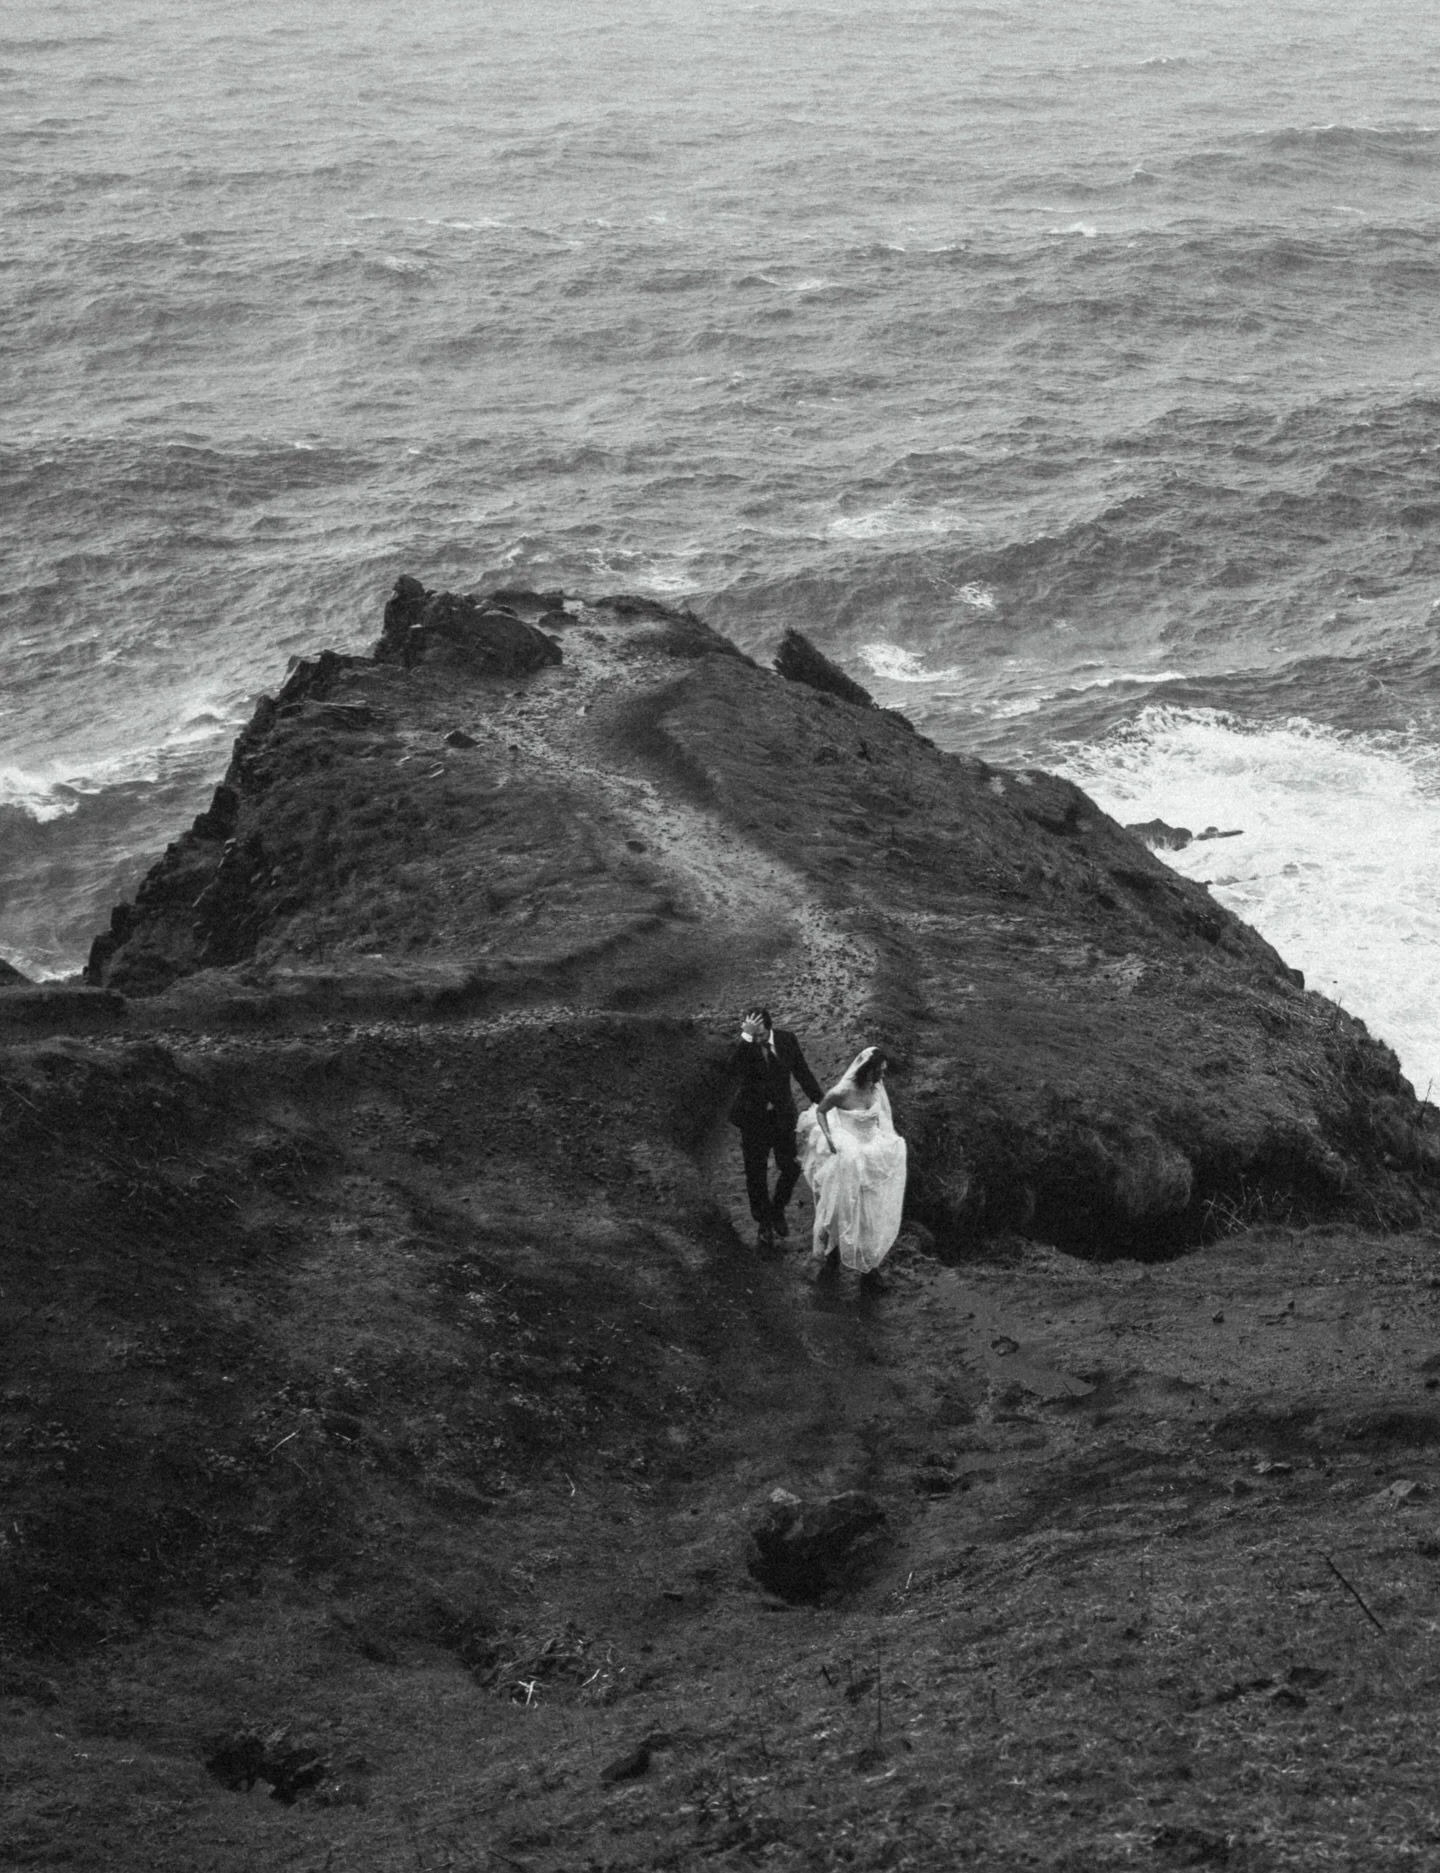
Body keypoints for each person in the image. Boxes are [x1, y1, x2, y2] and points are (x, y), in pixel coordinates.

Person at [797, 1046, 907, 1280]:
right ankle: (832, 1258)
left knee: (869, 1210)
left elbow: (881, 1118)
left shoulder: (876, 1090)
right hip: (849, 1154)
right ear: (869, 1070)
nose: (883, 1077)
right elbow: (821, 1111)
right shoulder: (843, 1091)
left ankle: (870, 1268)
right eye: (881, 1071)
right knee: (841, 1206)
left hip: (872, 1152)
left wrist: (886, 1138)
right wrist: (829, 1138)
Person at [727, 1005, 824, 1250]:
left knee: (790, 1167)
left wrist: (823, 1104)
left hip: (782, 1117)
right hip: (753, 1120)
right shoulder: (745, 1046)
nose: (757, 1040)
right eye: (753, 1034)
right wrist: (746, 1038)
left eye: (760, 1035)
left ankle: (777, 1208)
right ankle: (764, 1225)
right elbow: (732, 1072)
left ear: (769, 1028)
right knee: (756, 1173)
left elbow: (803, 1073)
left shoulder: (786, 1040)